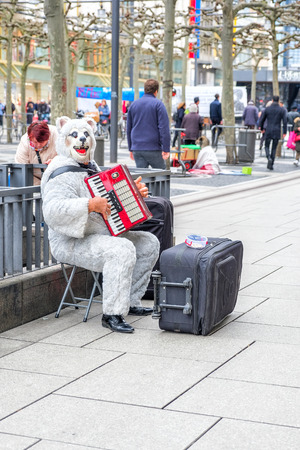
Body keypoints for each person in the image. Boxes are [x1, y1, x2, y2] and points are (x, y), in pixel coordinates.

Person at [41, 116, 160, 333]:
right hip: (71, 241)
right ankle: (112, 314)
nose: (82, 140)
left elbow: (109, 204)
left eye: (86, 135)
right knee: (120, 250)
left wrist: (134, 194)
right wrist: (88, 205)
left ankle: (131, 301)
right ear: (63, 140)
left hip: (99, 233)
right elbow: (52, 212)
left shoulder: (90, 166)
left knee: (149, 243)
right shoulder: (59, 172)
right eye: (74, 135)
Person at [127, 78, 170, 169]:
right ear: (156, 91)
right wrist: (166, 148)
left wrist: (131, 147)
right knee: (160, 176)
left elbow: (129, 128)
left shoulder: (134, 105)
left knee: (142, 177)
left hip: (137, 147)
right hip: (153, 147)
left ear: (145, 90)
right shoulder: (158, 105)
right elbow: (164, 128)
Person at [259, 95, 287, 170]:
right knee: (274, 148)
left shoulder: (267, 109)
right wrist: (284, 132)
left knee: (267, 145)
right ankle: (272, 163)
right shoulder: (282, 110)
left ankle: (268, 158)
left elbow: (262, 119)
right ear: (278, 101)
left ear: (272, 100)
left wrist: (261, 128)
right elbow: (284, 121)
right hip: (277, 130)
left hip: (268, 129)